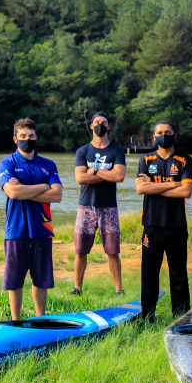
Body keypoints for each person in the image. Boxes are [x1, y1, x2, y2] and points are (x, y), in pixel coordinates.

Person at [0, 118, 63, 320]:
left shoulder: (48, 164)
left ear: (37, 137)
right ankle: (16, 320)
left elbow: (57, 195)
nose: (28, 139)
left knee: (41, 279)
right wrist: (43, 186)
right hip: (16, 229)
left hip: (43, 229)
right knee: (15, 279)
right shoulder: (7, 162)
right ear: (15, 139)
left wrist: (23, 190)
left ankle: (39, 318)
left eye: (31, 136)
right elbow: (12, 192)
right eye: (23, 136)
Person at [135, 120, 192, 322]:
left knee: (178, 273)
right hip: (151, 225)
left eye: (167, 132)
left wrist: (155, 185)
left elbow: (186, 192)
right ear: (154, 137)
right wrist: (173, 185)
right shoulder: (146, 159)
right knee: (149, 272)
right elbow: (141, 189)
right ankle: (147, 315)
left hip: (176, 225)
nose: (164, 135)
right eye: (160, 132)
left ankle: (180, 317)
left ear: (174, 135)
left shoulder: (184, 160)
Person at [72, 112, 126, 296]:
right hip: (85, 206)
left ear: (108, 127)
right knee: (81, 250)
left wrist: (93, 170)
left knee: (113, 250)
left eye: (104, 122)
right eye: (97, 122)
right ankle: (77, 288)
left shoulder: (116, 151)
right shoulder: (83, 151)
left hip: (109, 206)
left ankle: (119, 289)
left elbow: (119, 176)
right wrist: (106, 172)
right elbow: (80, 178)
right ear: (91, 126)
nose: (100, 125)